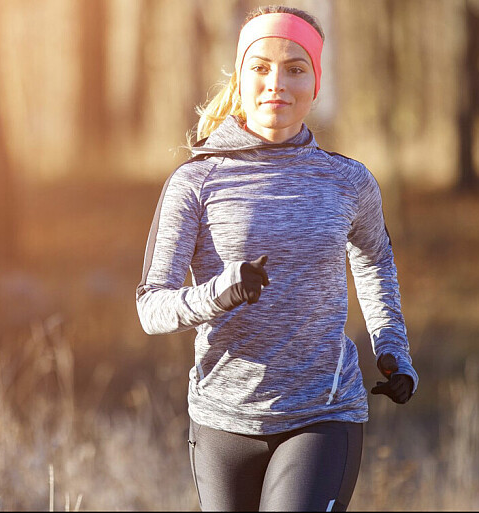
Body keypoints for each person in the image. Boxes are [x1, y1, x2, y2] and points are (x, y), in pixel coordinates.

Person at [135, 5, 418, 511]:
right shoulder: (196, 180)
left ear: (316, 83)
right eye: (261, 67)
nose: (276, 84)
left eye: (295, 68)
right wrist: (219, 293)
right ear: (240, 76)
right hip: (222, 421)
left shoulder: (348, 180)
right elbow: (151, 307)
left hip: (323, 413)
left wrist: (392, 349)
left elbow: (374, 262)